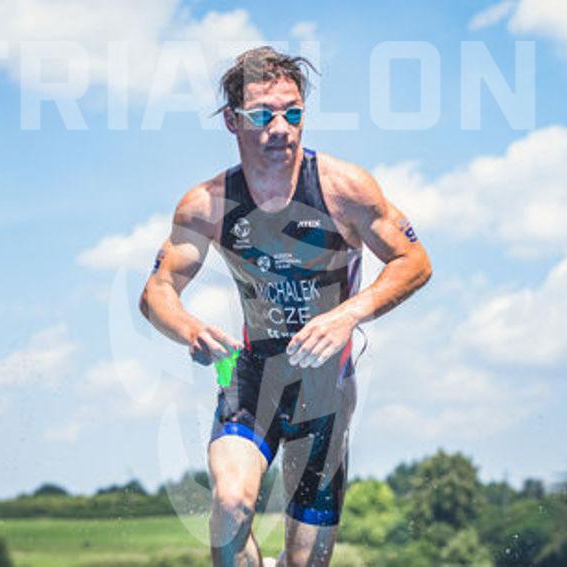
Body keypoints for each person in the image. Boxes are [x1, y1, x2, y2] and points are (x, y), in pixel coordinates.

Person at [139, 46, 432, 566]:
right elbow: (157, 291)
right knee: (231, 503)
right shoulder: (208, 204)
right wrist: (187, 328)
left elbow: (414, 261)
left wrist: (346, 315)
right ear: (232, 121)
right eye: (263, 115)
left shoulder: (344, 190)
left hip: (325, 386)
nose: (281, 129)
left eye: (293, 113)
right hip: (252, 374)